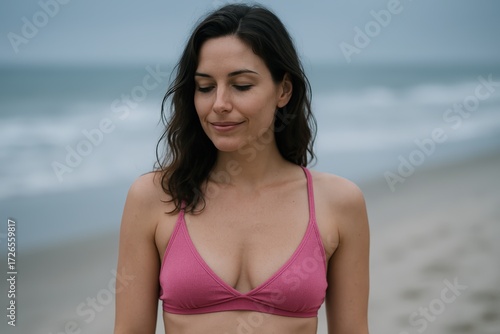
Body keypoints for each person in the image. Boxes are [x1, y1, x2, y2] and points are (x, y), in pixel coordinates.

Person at [114, 3, 369, 334]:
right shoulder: (154, 197)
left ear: (284, 91)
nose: (219, 103)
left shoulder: (339, 203)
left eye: (242, 85)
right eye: (205, 87)